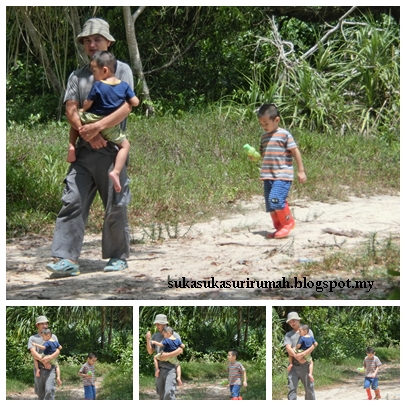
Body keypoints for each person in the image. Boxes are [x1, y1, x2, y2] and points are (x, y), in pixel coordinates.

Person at [45, 18, 135, 277]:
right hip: (84, 152)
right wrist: (86, 132)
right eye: (87, 40)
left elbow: (126, 106)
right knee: (72, 200)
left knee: (115, 203)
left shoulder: (122, 69)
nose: (92, 44)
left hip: (111, 150)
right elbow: (70, 108)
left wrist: (98, 128)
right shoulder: (77, 75)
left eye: (97, 39)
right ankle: (66, 259)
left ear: (109, 42)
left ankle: (117, 256)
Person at [67, 50, 140, 193]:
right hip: (112, 127)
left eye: (94, 71)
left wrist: (83, 110)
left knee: (74, 118)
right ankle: (116, 171)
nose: (93, 75)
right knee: (125, 146)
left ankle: (71, 146)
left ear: (104, 70)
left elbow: (87, 103)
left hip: (92, 119)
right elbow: (135, 103)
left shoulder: (98, 85)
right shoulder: (124, 86)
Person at [253, 103, 306, 239]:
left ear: (276, 120)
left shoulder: (284, 134)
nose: (264, 127)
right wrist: (253, 156)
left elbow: (295, 151)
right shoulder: (264, 137)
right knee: (270, 204)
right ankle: (279, 227)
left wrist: (301, 170)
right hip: (267, 175)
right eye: (261, 124)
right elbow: (262, 155)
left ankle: (288, 223)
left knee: (276, 199)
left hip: (283, 174)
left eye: (266, 123)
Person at [146, 314, 184, 400]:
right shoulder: (155, 336)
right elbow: (150, 351)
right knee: (161, 395)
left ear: (164, 324)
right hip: (159, 370)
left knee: (168, 393)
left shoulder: (174, 335)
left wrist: (166, 355)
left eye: (158, 324)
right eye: (156, 324)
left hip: (171, 369)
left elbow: (180, 350)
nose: (157, 326)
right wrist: (148, 340)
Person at [283, 311, 316, 400]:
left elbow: (313, 345)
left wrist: (302, 354)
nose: (292, 323)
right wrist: (297, 356)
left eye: (294, 321)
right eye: (290, 322)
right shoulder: (288, 334)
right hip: (293, 366)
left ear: (298, 320)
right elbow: (288, 348)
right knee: (291, 389)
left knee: (309, 389)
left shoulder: (307, 331)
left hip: (305, 364)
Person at [27, 316, 61, 399]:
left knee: (49, 390)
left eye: (46, 323)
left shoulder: (53, 337)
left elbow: (58, 351)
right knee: (41, 394)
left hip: (51, 368)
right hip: (39, 369)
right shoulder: (33, 338)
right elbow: (33, 352)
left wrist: (49, 358)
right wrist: (44, 361)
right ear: (37, 325)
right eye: (42, 323)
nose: (45, 325)